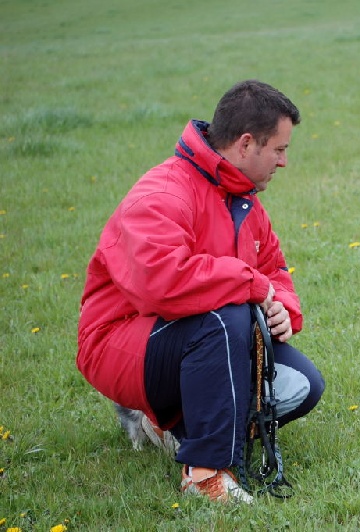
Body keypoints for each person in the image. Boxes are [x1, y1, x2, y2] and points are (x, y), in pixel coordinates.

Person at [77, 80, 324, 504]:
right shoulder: (162, 193)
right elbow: (163, 285)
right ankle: (205, 472)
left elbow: (274, 269)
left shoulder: (243, 199)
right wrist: (251, 285)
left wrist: (283, 307)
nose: (284, 162)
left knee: (303, 384)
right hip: (121, 342)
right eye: (279, 150)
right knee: (223, 316)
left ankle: (169, 428)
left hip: (202, 335)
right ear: (246, 143)